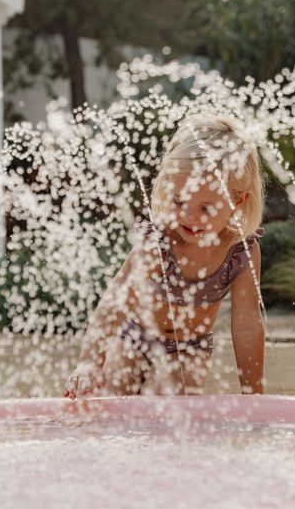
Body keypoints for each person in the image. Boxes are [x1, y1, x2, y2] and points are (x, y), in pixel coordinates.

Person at [64, 113, 266, 397]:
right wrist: (88, 363)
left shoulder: (240, 250)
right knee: (111, 396)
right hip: (132, 338)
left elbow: (246, 323)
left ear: (238, 201)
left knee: (169, 401)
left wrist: (253, 393)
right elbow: (114, 302)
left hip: (188, 349)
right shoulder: (158, 242)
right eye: (179, 201)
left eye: (205, 208)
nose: (188, 217)